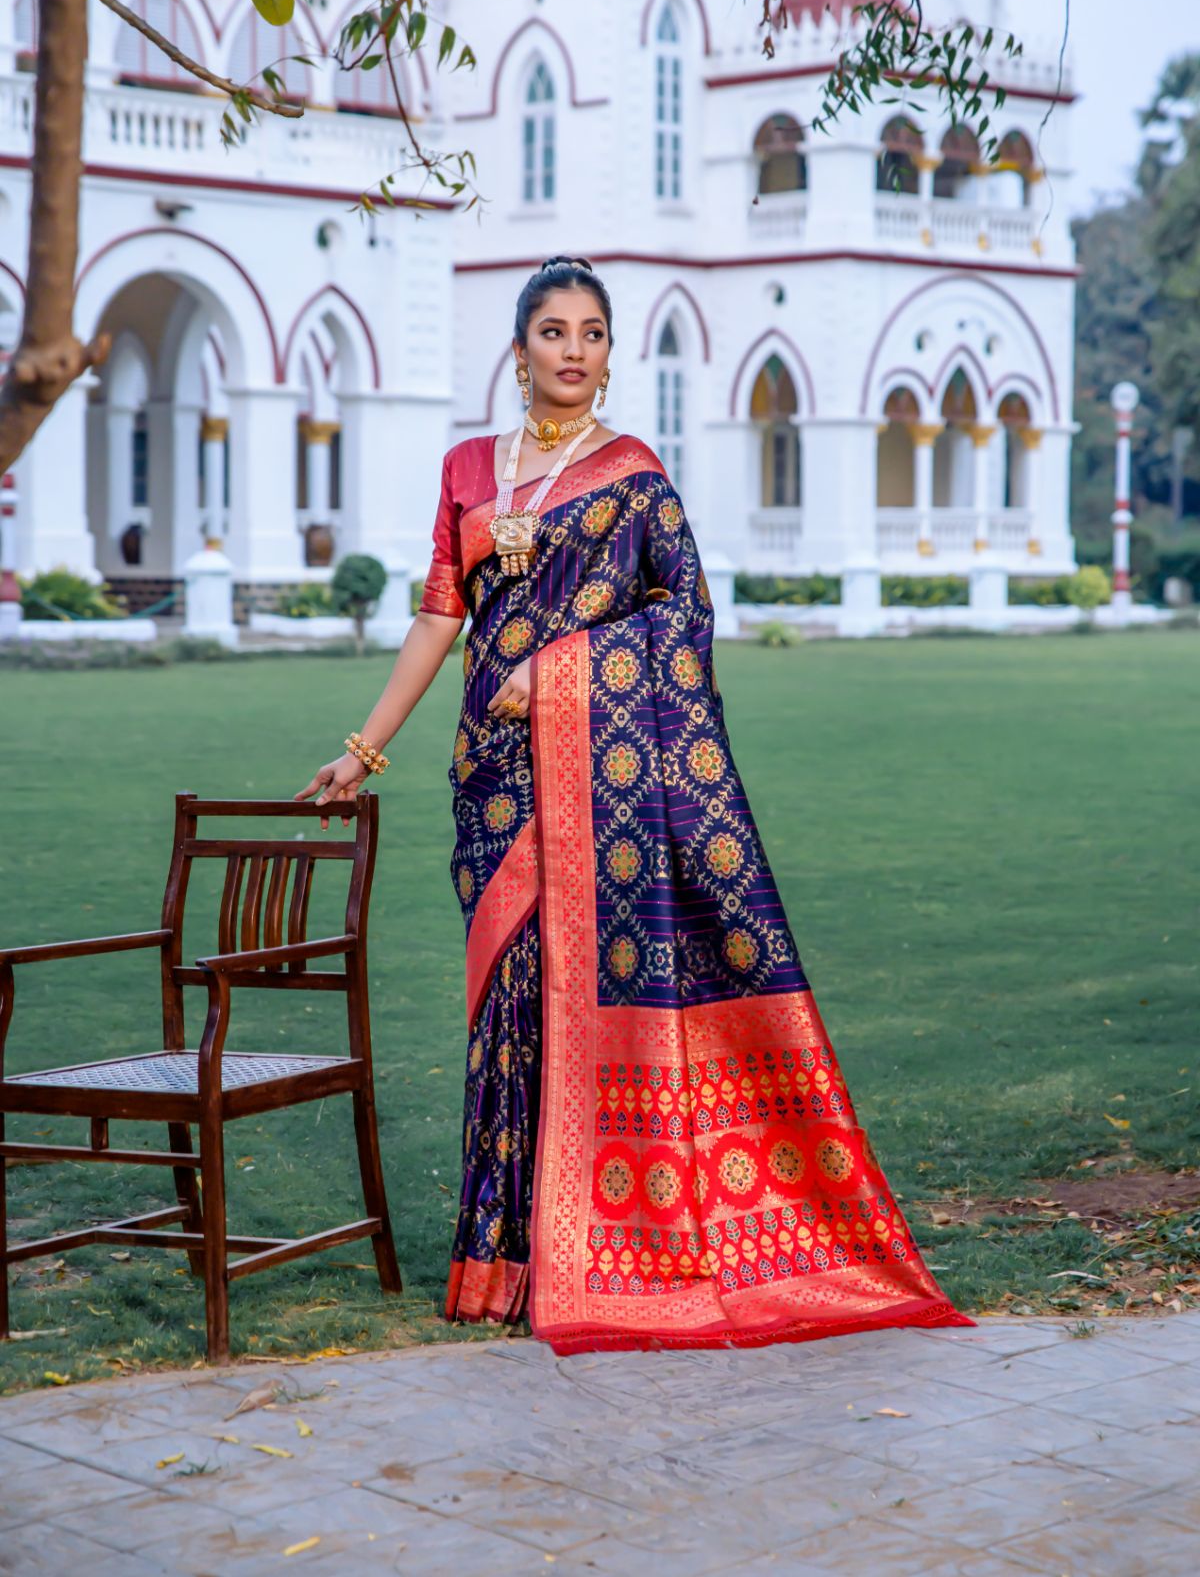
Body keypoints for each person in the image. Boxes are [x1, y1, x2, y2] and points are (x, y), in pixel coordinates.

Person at [296, 254, 971, 1354]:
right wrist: (363, 749)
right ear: (519, 350)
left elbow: (686, 620)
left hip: (598, 777)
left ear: (609, 353)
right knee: (505, 1004)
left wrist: (556, 677)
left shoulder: (636, 473)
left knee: (570, 991)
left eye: (593, 333)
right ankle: (501, 1261)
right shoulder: (468, 466)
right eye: (553, 331)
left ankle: (604, 1242)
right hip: (491, 782)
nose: (573, 350)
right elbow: (437, 616)